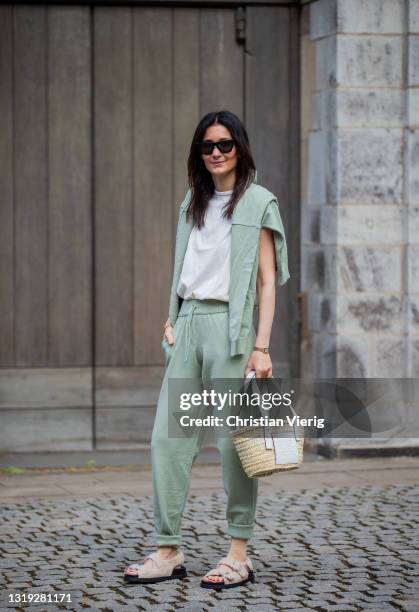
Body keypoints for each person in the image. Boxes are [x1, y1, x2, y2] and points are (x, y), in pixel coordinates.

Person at [123, 110, 290, 589]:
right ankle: (168, 549)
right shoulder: (191, 203)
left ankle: (239, 552)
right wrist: (174, 318)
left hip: (232, 330)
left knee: (234, 444)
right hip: (191, 324)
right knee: (167, 441)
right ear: (198, 154)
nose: (216, 153)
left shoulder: (257, 201)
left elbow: (266, 280)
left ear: (240, 146)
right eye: (207, 146)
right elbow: (185, 264)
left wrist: (261, 344)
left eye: (225, 144)